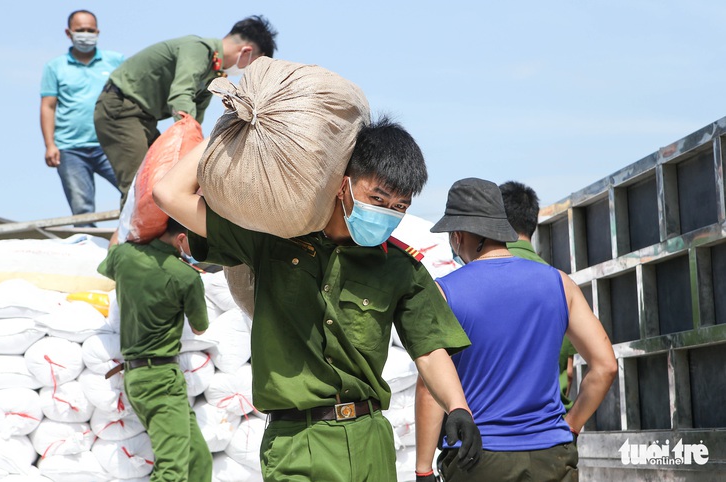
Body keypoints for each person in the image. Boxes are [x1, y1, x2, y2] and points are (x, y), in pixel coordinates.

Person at [153, 117, 482, 481]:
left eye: (399, 207)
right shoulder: (271, 238)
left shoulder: (400, 268)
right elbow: (169, 194)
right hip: (296, 442)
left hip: (370, 439)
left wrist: (457, 407)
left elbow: (428, 347)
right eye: (378, 199)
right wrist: (229, 130)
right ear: (344, 184)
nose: (387, 214)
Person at [415, 178, 618, 482]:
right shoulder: (559, 283)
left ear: (458, 235)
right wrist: (571, 426)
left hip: (478, 458)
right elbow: (605, 366)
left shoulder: (444, 293)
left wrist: (423, 469)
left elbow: (429, 390)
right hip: (552, 455)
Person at [94, 15, 278, 207]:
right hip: (120, 109)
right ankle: (128, 236)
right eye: (252, 64)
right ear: (246, 51)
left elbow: (195, 119)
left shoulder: (215, 73)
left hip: (144, 118)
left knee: (162, 175)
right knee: (139, 183)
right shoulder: (197, 49)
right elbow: (181, 96)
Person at [98, 218, 211, 481]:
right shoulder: (185, 276)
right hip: (161, 380)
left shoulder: (125, 258)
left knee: (197, 458)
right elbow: (199, 328)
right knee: (172, 471)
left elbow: (111, 251)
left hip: (136, 378)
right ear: (182, 238)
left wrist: (128, 218)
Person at [499, 180, 578, 411]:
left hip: (497, 428)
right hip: (554, 426)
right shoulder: (562, 283)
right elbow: (569, 372)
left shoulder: (479, 278)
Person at [40, 9, 123, 227]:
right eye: (80, 30)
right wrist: (50, 144)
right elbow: (48, 106)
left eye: (90, 30)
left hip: (110, 144)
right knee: (82, 210)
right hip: (70, 149)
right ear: (69, 33)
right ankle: (89, 251)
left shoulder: (115, 61)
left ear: (98, 32)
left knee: (137, 191)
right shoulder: (55, 66)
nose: (85, 35)